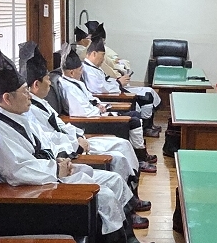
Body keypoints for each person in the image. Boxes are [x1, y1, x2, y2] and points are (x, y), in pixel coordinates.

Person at [0, 53, 158, 243]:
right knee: (104, 194)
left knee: (113, 180)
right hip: (31, 188)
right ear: (7, 98)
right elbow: (17, 171)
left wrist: (61, 158)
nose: (29, 96)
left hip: (51, 170)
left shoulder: (18, 115)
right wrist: (56, 169)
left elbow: (45, 141)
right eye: (24, 92)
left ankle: (128, 241)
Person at [19, 41, 148, 195]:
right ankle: (131, 194)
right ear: (35, 85)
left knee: (124, 145)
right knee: (118, 160)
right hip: (67, 152)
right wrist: (76, 144)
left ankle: (133, 186)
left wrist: (79, 135)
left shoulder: (42, 103)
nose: (50, 83)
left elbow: (61, 125)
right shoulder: (30, 112)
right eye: (47, 79)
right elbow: (53, 136)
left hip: (76, 140)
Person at [54, 43, 156, 171]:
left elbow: (90, 97)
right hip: (91, 122)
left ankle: (141, 154)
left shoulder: (75, 82)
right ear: (72, 72)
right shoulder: (68, 88)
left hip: (97, 114)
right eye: (80, 70)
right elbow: (81, 112)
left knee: (135, 115)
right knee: (134, 121)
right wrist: (98, 109)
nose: (82, 72)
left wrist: (99, 105)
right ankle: (140, 158)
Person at [82, 36, 163, 138]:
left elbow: (105, 81)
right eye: (102, 56)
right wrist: (119, 83)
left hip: (115, 89)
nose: (103, 59)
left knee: (148, 92)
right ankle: (146, 129)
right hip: (110, 97)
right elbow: (99, 89)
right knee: (146, 97)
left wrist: (118, 81)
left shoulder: (93, 67)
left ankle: (148, 126)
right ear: (94, 54)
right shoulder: (89, 71)